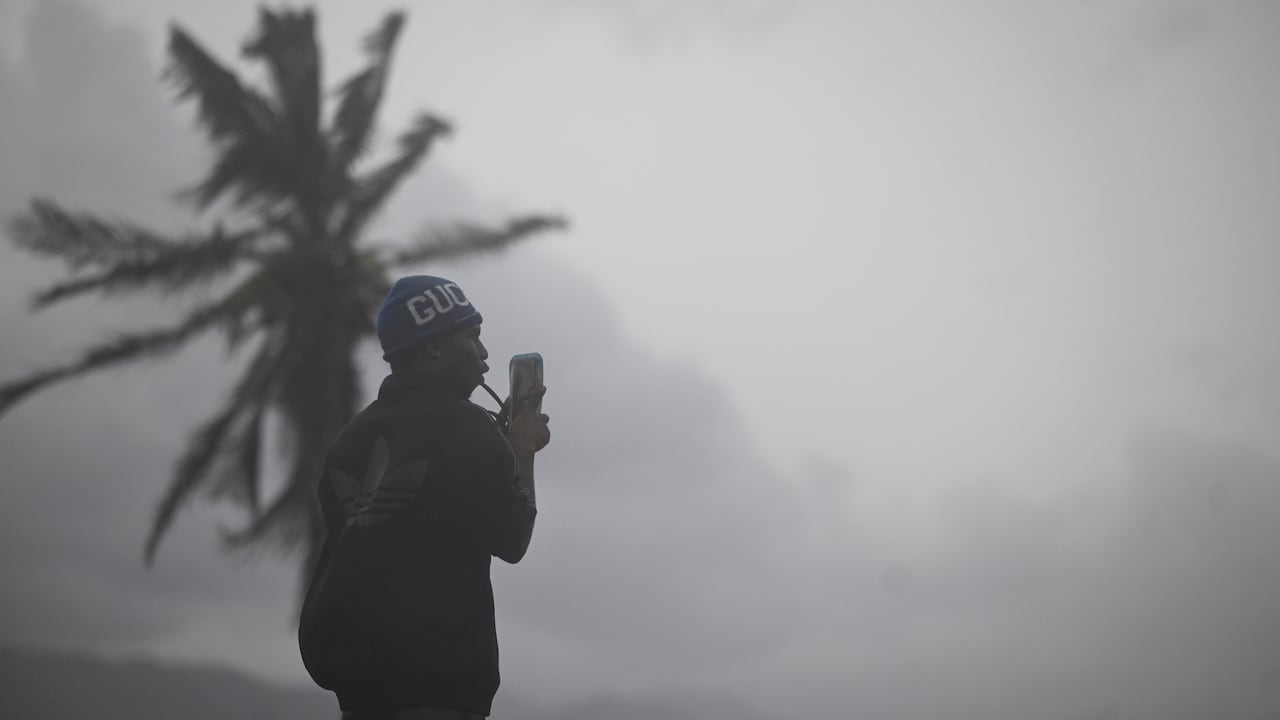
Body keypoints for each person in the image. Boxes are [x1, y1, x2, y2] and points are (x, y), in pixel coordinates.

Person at [298, 275, 550, 720]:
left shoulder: (348, 441)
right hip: (435, 691)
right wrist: (521, 450)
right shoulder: (467, 426)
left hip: (357, 695)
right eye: (472, 336)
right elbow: (513, 537)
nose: (486, 354)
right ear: (434, 348)